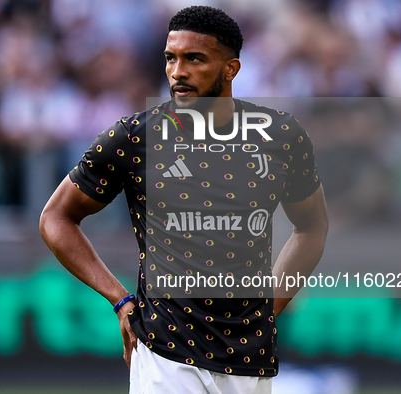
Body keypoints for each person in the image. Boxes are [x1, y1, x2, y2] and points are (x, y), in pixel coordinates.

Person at [40, 6, 328, 394]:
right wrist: (120, 300)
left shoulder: (281, 138)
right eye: (170, 58)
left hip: (248, 359)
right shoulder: (135, 137)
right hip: (164, 351)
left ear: (231, 69)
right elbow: (56, 218)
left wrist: (270, 307)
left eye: (194, 58)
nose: (178, 71)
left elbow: (312, 227)